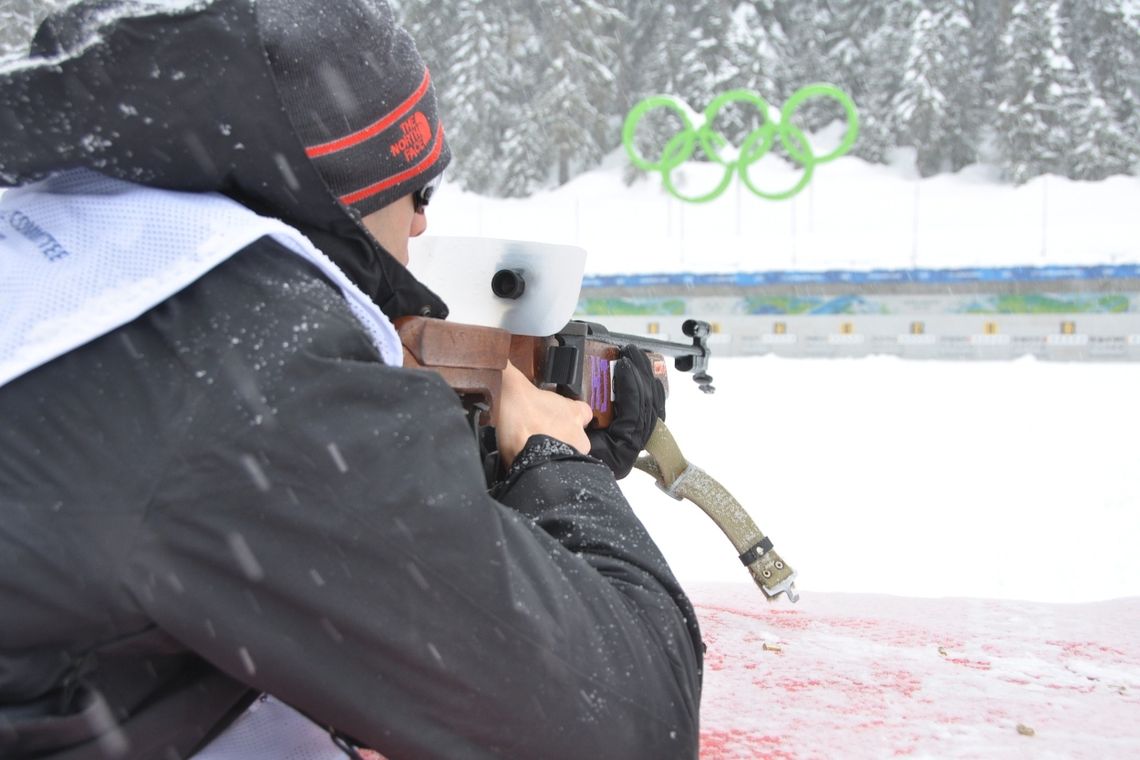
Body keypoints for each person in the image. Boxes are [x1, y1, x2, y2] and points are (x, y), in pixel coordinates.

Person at [0, 1, 703, 758]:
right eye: (421, 192)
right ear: (344, 188)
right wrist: (559, 466)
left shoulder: (73, 245)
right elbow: (631, 719)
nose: (425, 226)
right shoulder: (245, 367)